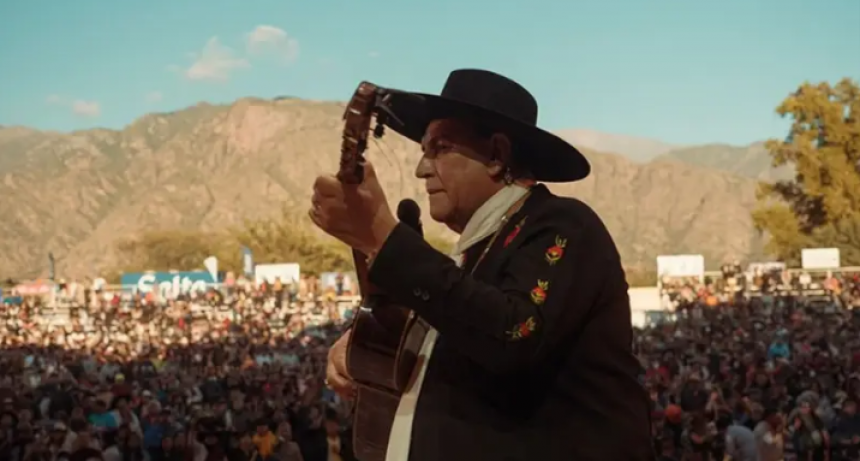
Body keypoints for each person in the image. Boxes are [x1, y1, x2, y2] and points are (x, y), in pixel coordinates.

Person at [310, 69, 653, 460]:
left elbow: (513, 333)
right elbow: (458, 323)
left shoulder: (563, 225)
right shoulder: (471, 259)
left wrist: (383, 239)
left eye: (438, 148)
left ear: (496, 155)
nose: (421, 168)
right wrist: (361, 351)